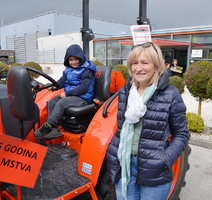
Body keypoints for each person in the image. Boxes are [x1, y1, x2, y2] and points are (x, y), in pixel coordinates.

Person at [106, 42, 190, 200]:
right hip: (124, 165)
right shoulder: (125, 92)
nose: (138, 68)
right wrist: (113, 150)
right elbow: (121, 127)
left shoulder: (170, 94)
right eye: (134, 63)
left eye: (145, 63)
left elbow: (181, 134)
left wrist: (165, 159)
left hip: (154, 169)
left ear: (156, 66)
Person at [34, 44, 96, 140]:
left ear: (81, 58)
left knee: (61, 102)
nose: (73, 62)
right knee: (51, 102)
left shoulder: (87, 70)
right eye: (71, 60)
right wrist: (55, 86)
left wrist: (67, 94)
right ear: (67, 60)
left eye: (76, 59)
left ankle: (47, 126)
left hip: (82, 98)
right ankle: (54, 130)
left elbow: (84, 88)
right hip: (71, 96)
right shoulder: (68, 70)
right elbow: (62, 81)